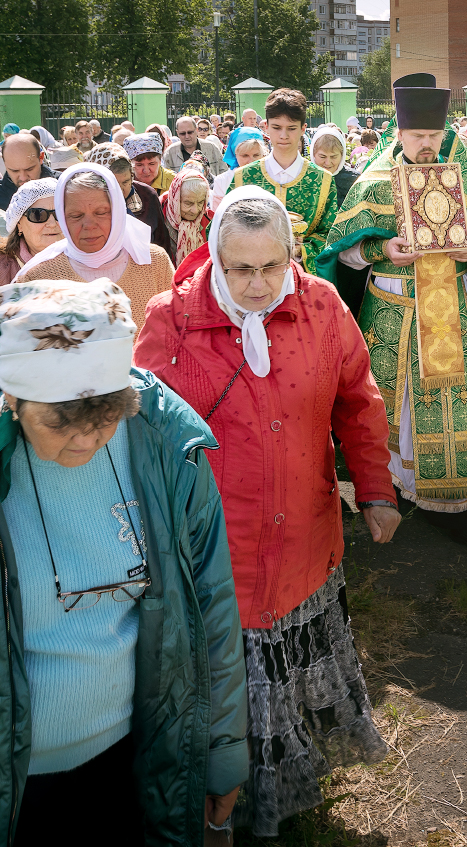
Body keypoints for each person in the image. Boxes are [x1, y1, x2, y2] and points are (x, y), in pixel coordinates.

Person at [133, 189, 398, 834]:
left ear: (292, 257)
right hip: (214, 556)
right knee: (223, 687)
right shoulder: (172, 318)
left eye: (272, 267)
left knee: (288, 680)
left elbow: (357, 402)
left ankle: (286, 793)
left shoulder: (323, 308)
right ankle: (219, 802)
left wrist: (375, 489)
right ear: (214, 261)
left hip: (303, 539)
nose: (258, 285)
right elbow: (140, 433)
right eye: (241, 269)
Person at [0, 278, 248, 846]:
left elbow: (210, 605)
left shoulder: (164, 444)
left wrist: (221, 751)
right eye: (57, 423)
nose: (86, 443)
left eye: (105, 417)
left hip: (134, 760)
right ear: (12, 398)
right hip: (16, 785)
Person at [318, 73, 467, 559]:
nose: (427, 144)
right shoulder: (374, 181)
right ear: (398, 133)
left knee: (454, 402)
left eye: (434, 135)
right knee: (392, 408)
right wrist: (381, 248)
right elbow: (338, 254)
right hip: (392, 310)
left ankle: (460, 510)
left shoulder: (463, 178)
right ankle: (393, 494)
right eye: (417, 135)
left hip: (452, 308)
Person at [15, 165, 174, 332]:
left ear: (118, 212)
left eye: (101, 212)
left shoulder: (155, 263)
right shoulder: (38, 278)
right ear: (62, 217)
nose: (89, 225)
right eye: (76, 216)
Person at [232, 89, 337, 275]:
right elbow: (226, 230)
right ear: (265, 127)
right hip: (253, 277)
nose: (283, 135)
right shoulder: (245, 177)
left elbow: (330, 235)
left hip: (304, 280)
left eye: (291, 128)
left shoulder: (322, 179)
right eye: (277, 127)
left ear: (303, 129)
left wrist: (299, 250)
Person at [85, 143, 173, 259]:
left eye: (126, 182)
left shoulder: (147, 196)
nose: (120, 190)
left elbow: (162, 243)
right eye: (113, 183)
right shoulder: (85, 203)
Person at [0, 180, 63, 284]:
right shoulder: (2, 268)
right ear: (19, 225)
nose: (52, 224)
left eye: (60, 213)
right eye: (38, 215)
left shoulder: (88, 259)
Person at [160, 167, 214, 267]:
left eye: (200, 202)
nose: (196, 210)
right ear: (175, 199)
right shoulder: (158, 216)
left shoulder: (210, 221)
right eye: (188, 203)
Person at [0, 132, 57, 211]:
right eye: (14, 171)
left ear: (41, 157)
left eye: (29, 169)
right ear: (4, 161)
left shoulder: (65, 187)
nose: (23, 177)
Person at [211, 128, 266, 209]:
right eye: (245, 156)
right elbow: (217, 214)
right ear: (235, 155)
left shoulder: (271, 176)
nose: (251, 161)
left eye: (256, 155)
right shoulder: (223, 181)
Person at [162, 117, 226, 184]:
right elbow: (167, 181)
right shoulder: (170, 153)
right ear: (177, 133)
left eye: (190, 132)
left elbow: (224, 174)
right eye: (183, 133)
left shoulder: (211, 148)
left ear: (196, 130)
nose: (187, 136)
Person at [310, 124, 356, 204]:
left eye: (333, 157)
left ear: (342, 155)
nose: (328, 163)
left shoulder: (354, 180)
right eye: (322, 156)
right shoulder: (305, 178)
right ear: (313, 154)